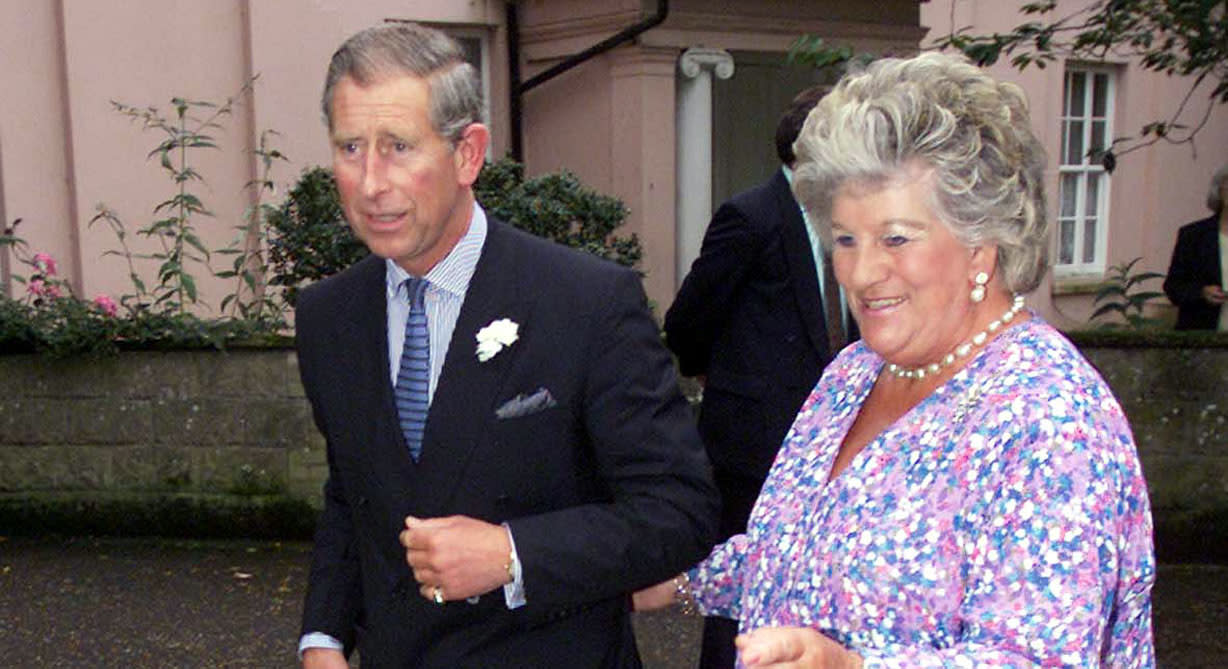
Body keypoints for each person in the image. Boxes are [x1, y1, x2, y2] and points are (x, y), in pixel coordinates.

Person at [636, 52, 1156, 667]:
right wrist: (682, 580)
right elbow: (804, 552)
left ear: (981, 245)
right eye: (846, 240)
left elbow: (1038, 658)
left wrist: (850, 666)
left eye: (896, 239)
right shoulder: (854, 372)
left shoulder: (1047, 420)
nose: (861, 272)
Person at [295, 23, 718, 668]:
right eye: (351, 147)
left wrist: (513, 554)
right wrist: (323, 635)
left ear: (468, 155)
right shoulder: (329, 317)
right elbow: (352, 495)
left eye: (399, 147)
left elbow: (678, 513)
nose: (371, 181)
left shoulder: (585, 302)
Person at [663, 85, 853, 669]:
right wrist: (737, 380)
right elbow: (687, 323)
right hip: (753, 452)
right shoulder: (751, 217)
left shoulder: (850, 223)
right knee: (739, 609)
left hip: (834, 445)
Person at [1163, 164, 1228, 330]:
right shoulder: (1193, 236)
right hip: (1203, 339)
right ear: (1219, 191)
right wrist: (1202, 292)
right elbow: (1173, 287)